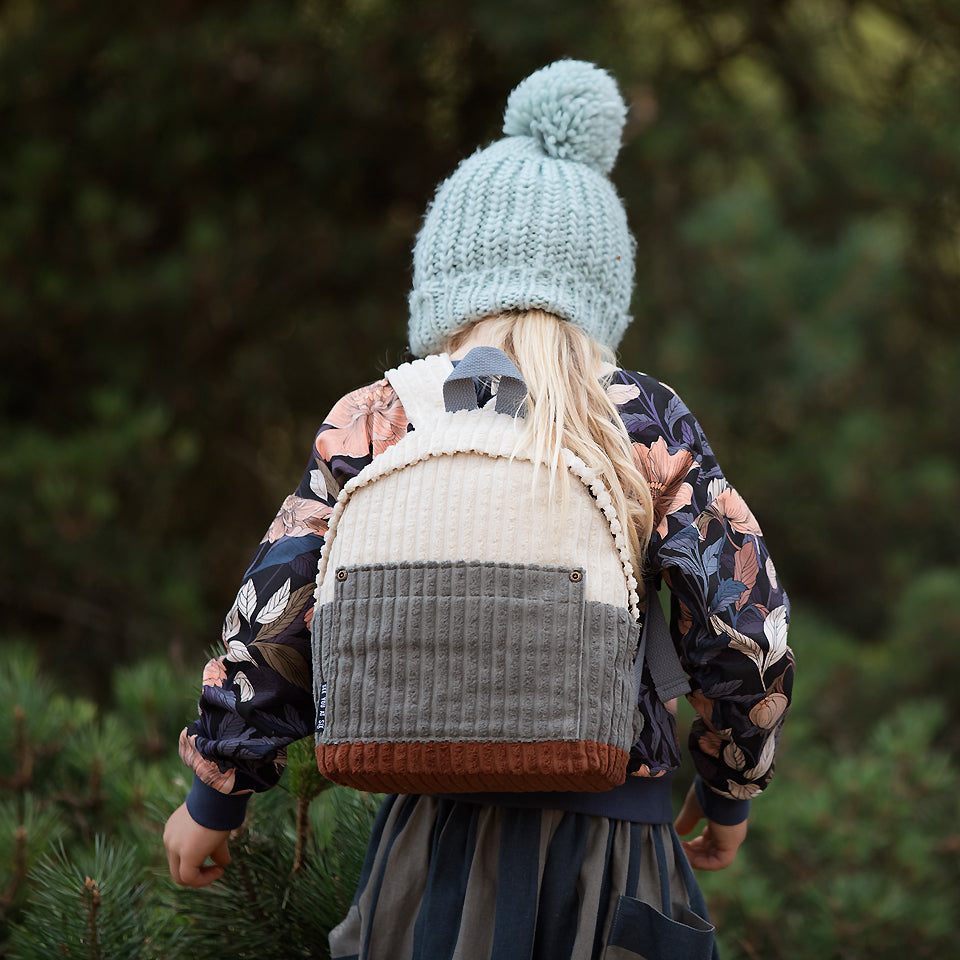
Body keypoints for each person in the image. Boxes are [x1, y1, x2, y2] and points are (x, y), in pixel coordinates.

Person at [164, 60, 793, 959]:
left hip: (428, 839)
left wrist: (216, 796)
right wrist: (730, 787)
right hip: (612, 841)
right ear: (603, 291)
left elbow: (274, 612)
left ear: (442, 278)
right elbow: (743, 628)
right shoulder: (641, 422)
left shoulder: (379, 416)